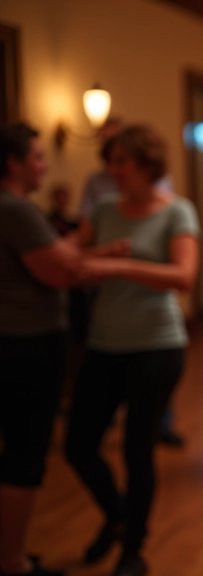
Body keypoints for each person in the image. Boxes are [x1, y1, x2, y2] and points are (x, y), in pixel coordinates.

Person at [64, 124, 200, 576]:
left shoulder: (177, 212)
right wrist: (96, 258)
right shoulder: (103, 209)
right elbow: (69, 260)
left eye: (121, 161)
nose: (113, 170)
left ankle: (133, 550)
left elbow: (183, 277)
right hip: (105, 343)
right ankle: (119, 516)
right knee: (79, 444)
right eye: (112, 161)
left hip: (156, 344)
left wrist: (120, 265)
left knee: (137, 450)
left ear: (145, 165)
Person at [0, 122, 81, 576]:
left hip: (13, 342)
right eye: (37, 157)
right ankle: (11, 561)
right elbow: (58, 272)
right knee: (26, 452)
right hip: (26, 344)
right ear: (14, 163)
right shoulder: (15, 209)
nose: (44, 165)